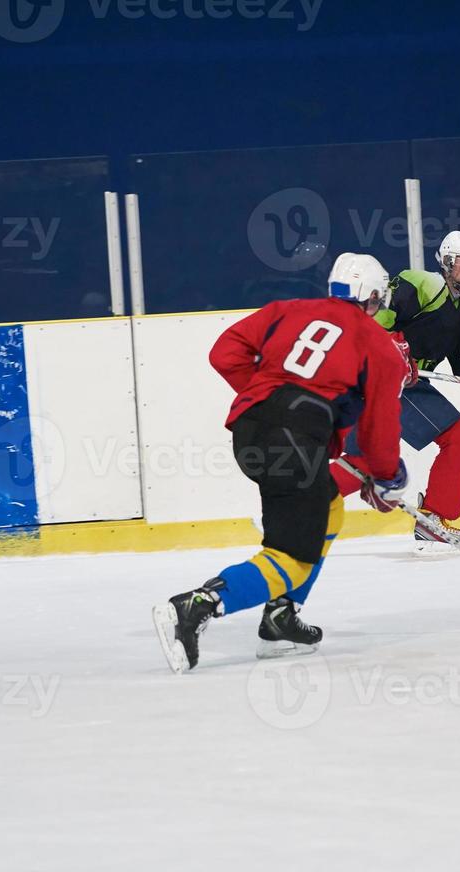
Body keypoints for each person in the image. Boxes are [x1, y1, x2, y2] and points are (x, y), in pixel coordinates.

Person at [152, 253, 411, 674]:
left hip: (250, 430)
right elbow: (381, 430)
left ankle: (281, 619)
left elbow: (224, 354)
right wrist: (387, 476)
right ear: (374, 298)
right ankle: (200, 603)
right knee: (293, 557)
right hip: (294, 441)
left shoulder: (287, 310)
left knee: (329, 505)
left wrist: (268, 393)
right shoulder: (379, 346)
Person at [330, 231, 460, 552]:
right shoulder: (420, 283)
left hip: (407, 383)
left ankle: (434, 519)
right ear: (447, 262)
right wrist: (395, 351)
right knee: (366, 460)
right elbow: (374, 321)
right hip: (377, 377)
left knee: (454, 441)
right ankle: (292, 507)